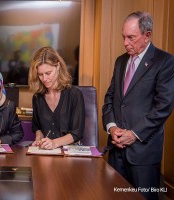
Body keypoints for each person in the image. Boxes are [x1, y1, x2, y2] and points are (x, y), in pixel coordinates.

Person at [102, 11, 174, 200]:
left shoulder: (165, 62)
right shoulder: (120, 61)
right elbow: (109, 98)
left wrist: (133, 134)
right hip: (116, 150)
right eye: (123, 37)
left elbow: (163, 107)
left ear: (147, 35)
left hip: (143, 153)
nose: (125, 42)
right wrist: (112, 127)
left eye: (131, 37)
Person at [28, 46, 85, 150]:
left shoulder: (74, 95)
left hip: (69, 155)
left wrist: (54, 143)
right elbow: (37, 128)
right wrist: (38, 139)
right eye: (40, 74)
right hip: (46, 153)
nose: (44, 79)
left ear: (58, 66)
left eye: (48, 73)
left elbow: (77, 133)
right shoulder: (37, 97)